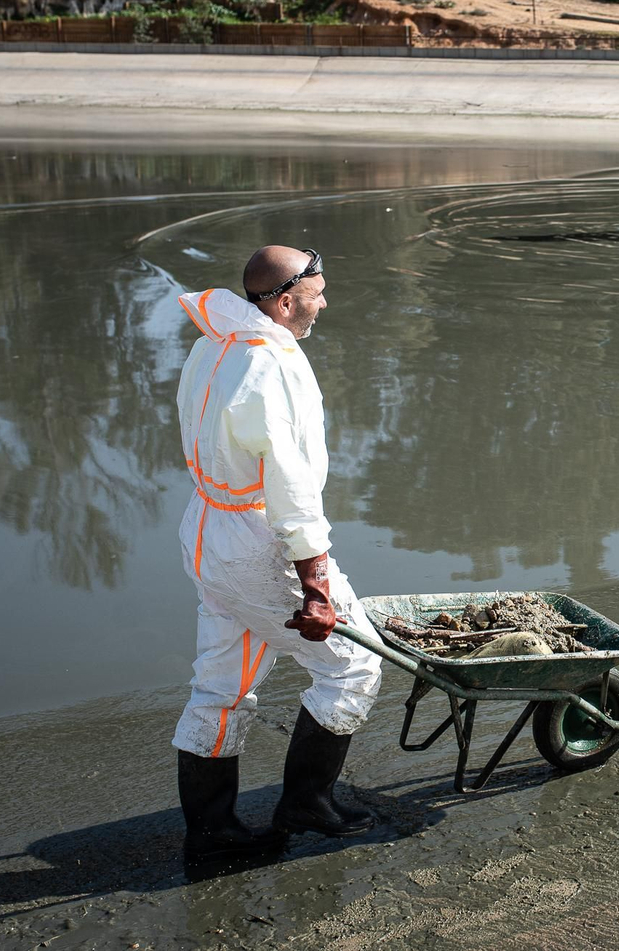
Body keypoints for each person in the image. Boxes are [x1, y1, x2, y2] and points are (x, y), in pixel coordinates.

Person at [172, 245, 382, 863]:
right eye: (318, 292)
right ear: (286, 302)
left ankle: (211, 830)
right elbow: (292, 491)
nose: (325, 302)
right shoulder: (271, 367)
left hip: (206, 527)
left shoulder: (215, 343)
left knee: (218, 684)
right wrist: (317, 591)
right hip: (255, 542)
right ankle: (306, 802)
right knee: (352, 667)